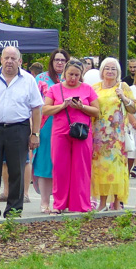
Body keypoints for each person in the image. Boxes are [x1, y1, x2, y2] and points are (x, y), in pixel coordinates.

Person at [0, 46, 43, 219]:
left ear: (20, 61)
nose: (10, 61)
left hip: (18, 129)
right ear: (1, 59)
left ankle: (14, 211)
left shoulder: (28, 80)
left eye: (13, 58)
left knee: (17, 171)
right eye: (6, 58)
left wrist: (35, 134)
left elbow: (36, 108)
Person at [42, 59, 100, 213]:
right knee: (60, 168)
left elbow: (97, 112)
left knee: (81, 168)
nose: (73, 78)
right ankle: (59, 204)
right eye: (70, 74)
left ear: (81, 75)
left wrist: (82, 107)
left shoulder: (87, 89)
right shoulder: (55, 89)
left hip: (81, 132)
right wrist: (62, 105)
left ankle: (81, 204)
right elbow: (46, 109)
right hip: (60, 133)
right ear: (64, 73)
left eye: (76, 75)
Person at [91, 58, 136, 210]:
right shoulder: (95, 88)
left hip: (116, 137)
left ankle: (116, 203)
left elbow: (134, 108)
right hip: (98, 136)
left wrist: (123, 97)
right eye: (107, 68)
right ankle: (102, 203)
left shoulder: (122, 86)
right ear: (102, 71)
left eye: (113, 69)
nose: (110, 71)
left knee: (116, 168)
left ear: (118, 72)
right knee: (100, 169)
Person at [33, 49, 69, 213]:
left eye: (63, 60)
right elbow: (33, 104)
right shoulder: (41, 79)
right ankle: (44, 202)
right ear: (51, 61)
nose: (60, 63)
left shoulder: (73, 78)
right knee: (45, 163)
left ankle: (61, 201)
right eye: (57, 60)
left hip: (68, 125)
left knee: (64, 164)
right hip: (46, 124)